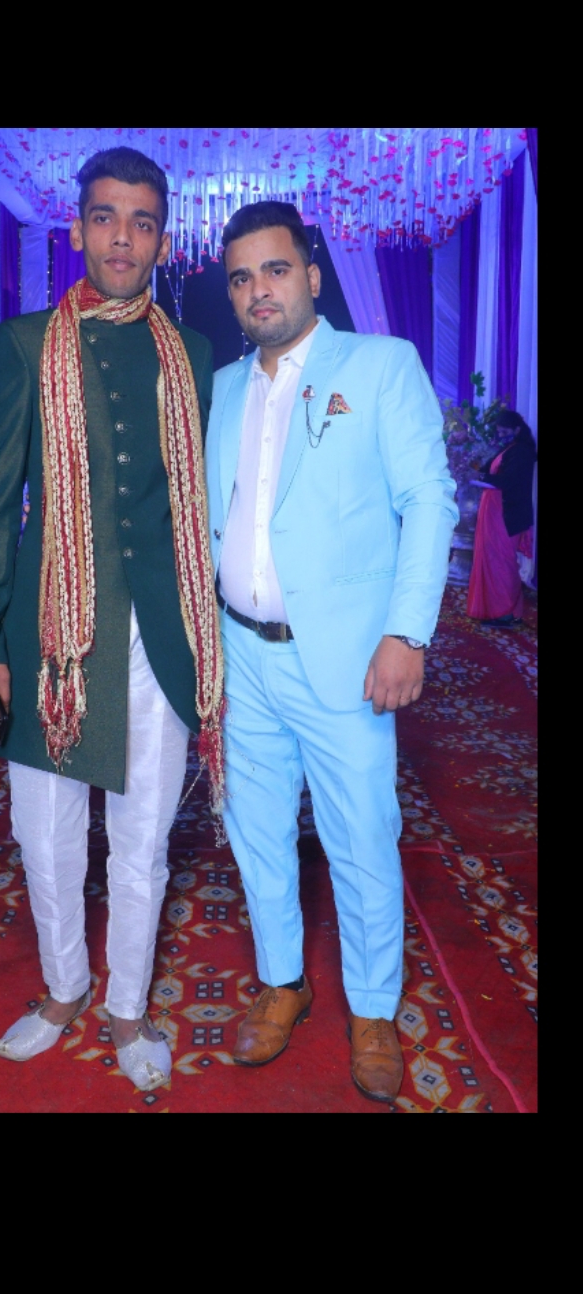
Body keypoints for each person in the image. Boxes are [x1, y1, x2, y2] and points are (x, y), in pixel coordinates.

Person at [0, 147, 224, 1091]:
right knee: (44, 833)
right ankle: (65, 986)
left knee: (144, 836)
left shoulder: (193, 355)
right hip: (47, 635)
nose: (123, 238)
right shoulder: (26, 342)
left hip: (158, 631)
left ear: (163, 240)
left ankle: (127, 1005)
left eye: (142, 222)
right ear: (77, 230)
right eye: (106, 217)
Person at [205, 201, 458, 1104]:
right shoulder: (224, 388)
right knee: (256, 832)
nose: (258, 291)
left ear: (312, 276)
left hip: (348, 658)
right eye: (241, 278)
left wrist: (407, 632)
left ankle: (374, 1008)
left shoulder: (380, 365)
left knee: (361, 838)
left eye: (275, 270)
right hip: (242, 656)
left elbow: (428, 499)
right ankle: (283, 982)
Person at [466, 408, 536, 625]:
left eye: (504, 431)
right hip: (495, 513)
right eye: (499, 431)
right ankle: (497, 610)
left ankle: (506, 613)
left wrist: (480, 476)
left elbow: (509, 482)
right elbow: (488, 470)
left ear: (517, 429)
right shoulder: (509, 448)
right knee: (491, 559)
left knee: (502, 563)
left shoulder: (522, 451)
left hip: (506, 514)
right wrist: (474, 467)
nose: (501, 435)